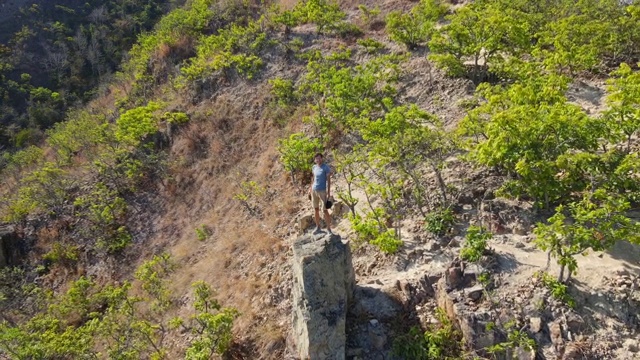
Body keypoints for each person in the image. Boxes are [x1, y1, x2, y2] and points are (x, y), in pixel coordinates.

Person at [309, 153, 332, 234]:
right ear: (315, 160)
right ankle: (318, 227)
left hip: (322, 191)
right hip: (314, 190)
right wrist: (310, 188)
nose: (318, 160)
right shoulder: (314, 167)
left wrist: (328, 192)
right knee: (316, 209)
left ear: (322, 158)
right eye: (316, 159)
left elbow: (329, 181)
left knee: (325, 210)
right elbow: (313, 178)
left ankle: (329, 229)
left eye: (319, 158)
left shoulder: (326, 168)